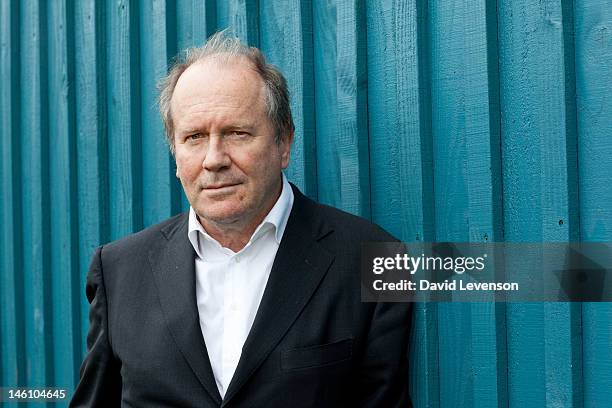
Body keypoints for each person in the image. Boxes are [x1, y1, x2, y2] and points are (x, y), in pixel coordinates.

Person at [71, 31, 413, 407]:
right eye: (195, 137)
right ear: (175, 153)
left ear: (283, 143)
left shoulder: (375, 260)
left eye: (237, 133)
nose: (214, 159)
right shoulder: (119, 271)